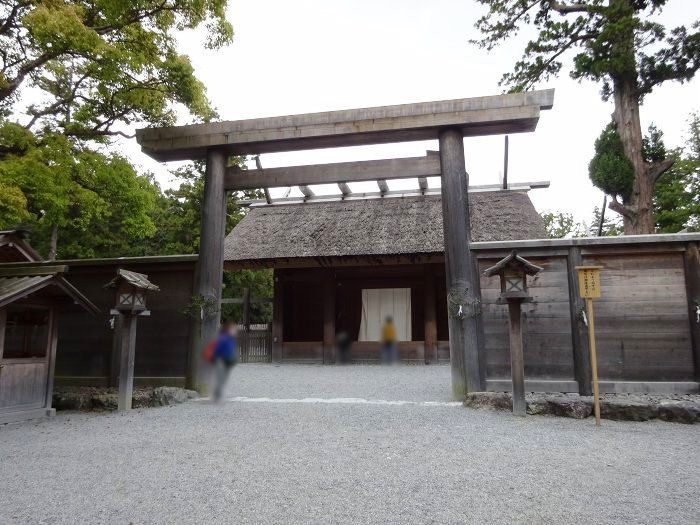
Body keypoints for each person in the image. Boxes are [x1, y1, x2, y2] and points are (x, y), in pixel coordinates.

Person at [211, 321, 238, 402]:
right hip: (221, 359)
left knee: (224, 377)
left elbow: (231, 350)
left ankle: (218, 392)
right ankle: (217, 394)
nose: (234, 331)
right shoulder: (224, 338)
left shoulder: (230, 339)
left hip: (227, 360)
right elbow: (217, 349)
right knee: (221, 377)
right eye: (233, 329)